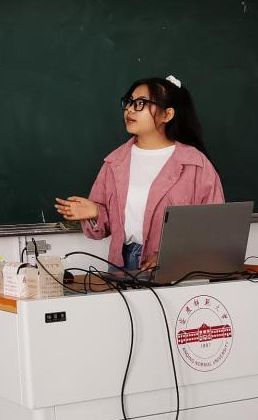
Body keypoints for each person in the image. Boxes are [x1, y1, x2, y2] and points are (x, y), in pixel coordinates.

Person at [54, 75, 224, 276]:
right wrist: (95, 213)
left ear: (167, 115)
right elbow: (103, 229)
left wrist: (171, 255)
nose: (129, 109)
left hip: (174, 268)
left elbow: (214, 228)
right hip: (120, 265)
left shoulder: (195, 164)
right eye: (129, 102)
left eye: (140, 103)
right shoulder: (115, 162)